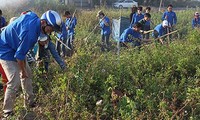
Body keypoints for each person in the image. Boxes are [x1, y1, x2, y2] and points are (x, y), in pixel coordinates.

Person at [0, 10, 62, 118]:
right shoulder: (31, 35)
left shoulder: (34, 17)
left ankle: (30, 101)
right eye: (50, 28)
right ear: (43, 22)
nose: (50, 32)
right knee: (15, 79)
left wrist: (25, 72)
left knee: (28, 74)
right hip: (6, 50)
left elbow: (26, 12)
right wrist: (22, 71)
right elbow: (19, 56)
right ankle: (7, 112)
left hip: (16, 48)